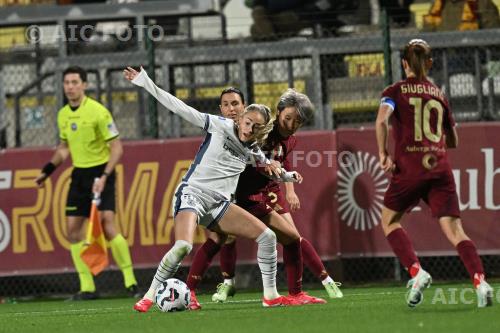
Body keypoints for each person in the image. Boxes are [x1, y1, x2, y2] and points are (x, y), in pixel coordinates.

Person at [123, 67, 295, 312]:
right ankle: (149, 296)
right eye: (247, 122)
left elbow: (271, 169)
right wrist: (145, 82)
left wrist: (289, 175)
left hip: (219, 205)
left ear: (262, 130)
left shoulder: (253, 150)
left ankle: (271, 296)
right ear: (241, 117)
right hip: (192, 194)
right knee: (183, 246)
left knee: (267, 237)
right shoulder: (218, 125)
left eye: (255, 127)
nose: (248, 129)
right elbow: (178, 107)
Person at [187, 89, 343, 310]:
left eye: (297, 120)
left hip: (253, 196)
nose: (291, 123)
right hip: (235, 195)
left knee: (290, 237)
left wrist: (284, 177)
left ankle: (295, 293)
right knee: (218, 240)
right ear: (278, 113)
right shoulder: (257, 130)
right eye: (288, 118)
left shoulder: (288, 140)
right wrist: (268, 165)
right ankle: (192, 291)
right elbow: (251, 153)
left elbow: (276, 161)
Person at [375, 39, 493, 308]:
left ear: (403, 62)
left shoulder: (395, 90)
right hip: (439, 167)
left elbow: (382, 120)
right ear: (430, 63)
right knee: (455, 230)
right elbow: (453, 141)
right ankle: (480, 282)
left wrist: (383, 154)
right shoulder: (439, 93)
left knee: (389, 221)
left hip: (409, 168)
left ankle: (416, 272)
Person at [35, 66, 138, 300]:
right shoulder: (62, 114)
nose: (70, 86)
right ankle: (87, 287)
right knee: (72, 231)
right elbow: (63, 149)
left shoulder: (98, 112)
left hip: (102, 172)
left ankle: (131, 283)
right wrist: (47, 171)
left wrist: (104, 177)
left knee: (107, 223)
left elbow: (117, 148)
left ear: (84, 85)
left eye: (74, 82)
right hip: (79, 175)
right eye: (66, 83)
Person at [423, 0, 500, 31]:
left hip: (474, 57)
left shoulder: (482, 3)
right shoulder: (437, 7)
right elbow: (427, 33)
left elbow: (493, 35)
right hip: (441, 57)